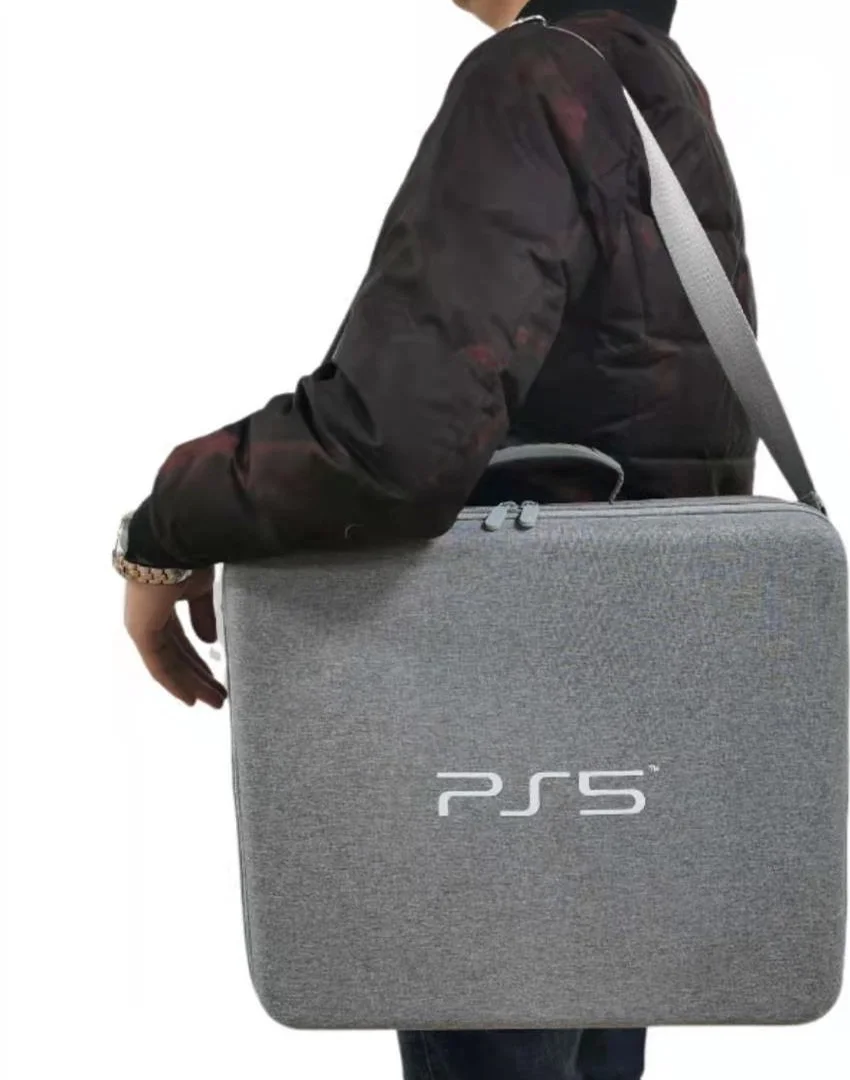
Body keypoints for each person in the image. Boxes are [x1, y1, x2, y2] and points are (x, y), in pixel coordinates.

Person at [113, 0, 759, 1075]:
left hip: (495, 733)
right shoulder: (654, 83)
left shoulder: (531, 78)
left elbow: (393, 443)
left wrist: (164, 527)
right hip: (622, 731)